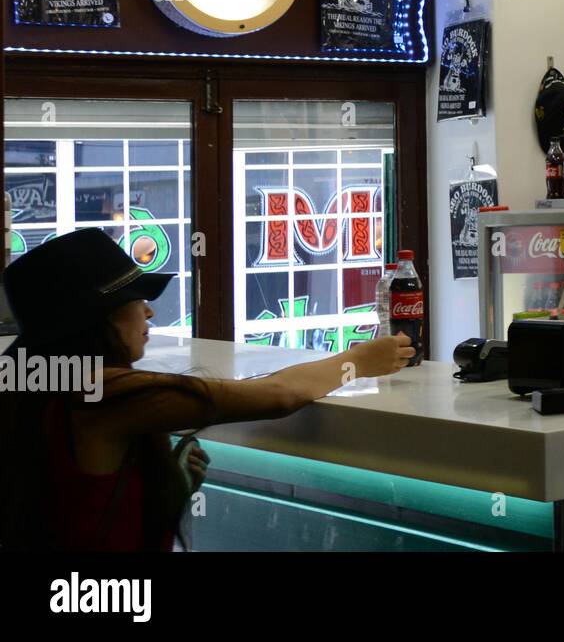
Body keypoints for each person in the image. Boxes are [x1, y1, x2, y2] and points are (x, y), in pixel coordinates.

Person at [0, 228, 413, 552]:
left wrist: (165, 485)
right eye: (134, 298)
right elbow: (279, 395)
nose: (148, 309)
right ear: (97, 318)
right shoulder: (100, 390)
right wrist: (356, 363)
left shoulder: (40, 385)